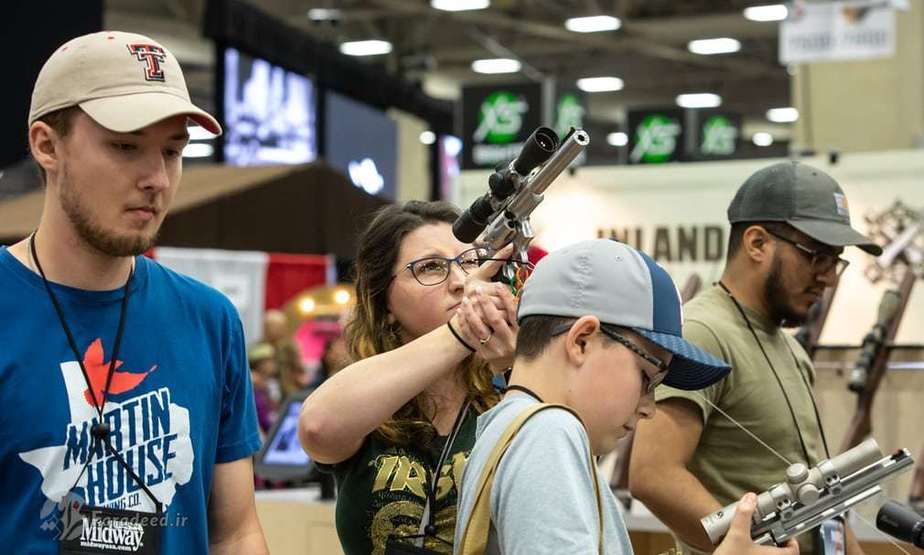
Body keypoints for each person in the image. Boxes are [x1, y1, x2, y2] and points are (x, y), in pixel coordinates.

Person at [0, 31, 267, 552]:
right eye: (125, 147)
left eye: (172, 151)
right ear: (47, 145)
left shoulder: (209, 318)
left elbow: (235, 530)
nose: (157, 178)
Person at [452, 239, 798, 555]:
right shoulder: (549, 432)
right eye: (647, 377)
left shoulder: (512, 426)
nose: (648, 407)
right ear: (582, 341)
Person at [629, 161, 881, 555]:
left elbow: (821, 496)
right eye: (817, 256)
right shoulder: (703, 332)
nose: (830, 277)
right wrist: (743, 548)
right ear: (757, 243)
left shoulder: (791, 349)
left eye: (836, 260)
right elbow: (653, 474)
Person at [298, 200, 519, 555]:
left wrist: (514, 366)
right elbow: (318, 428)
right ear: (384, 301)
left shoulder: (505, 382)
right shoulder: (367, 394)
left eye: (470, 262)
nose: (462, 282)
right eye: (432, 267)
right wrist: (463, 330)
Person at [262, 309, 307, 398]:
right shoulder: (260, 347)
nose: (275, 330)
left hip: (288, 389)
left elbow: (299, 368)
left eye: (279, 327)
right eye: (272, 326)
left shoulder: (290, 347)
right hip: (265, 391)